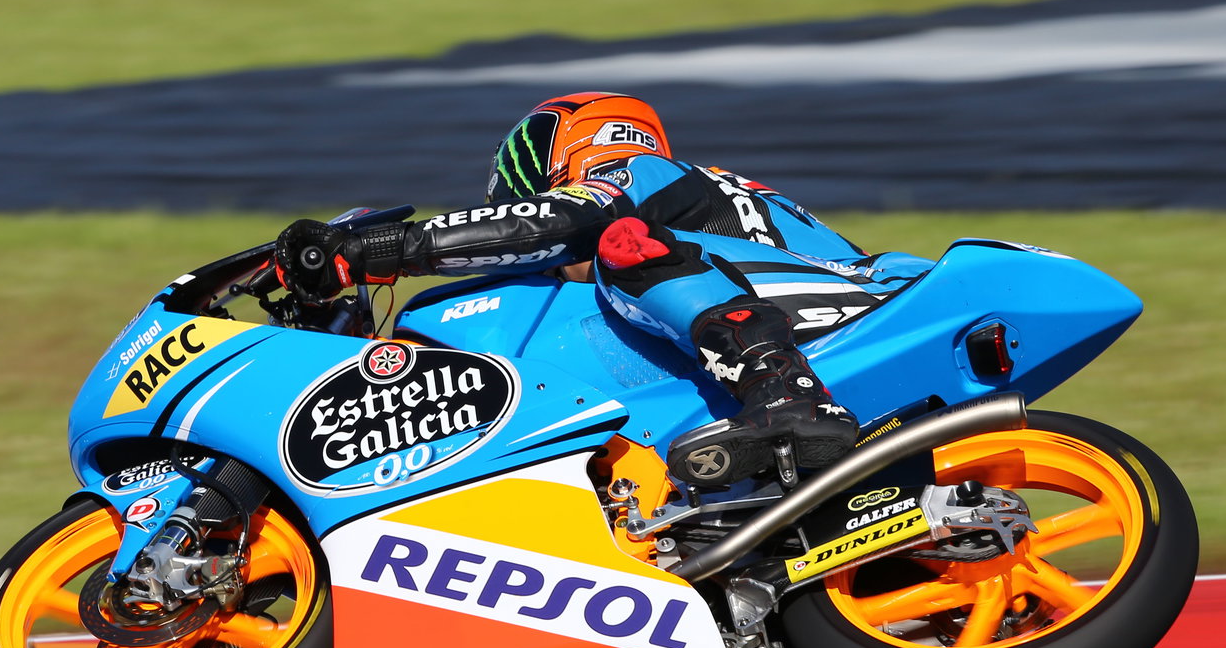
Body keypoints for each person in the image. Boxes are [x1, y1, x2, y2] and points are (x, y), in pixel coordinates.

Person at [273, 92, 931, 487]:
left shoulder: (635, 176)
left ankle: (782, 390)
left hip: (859, 311)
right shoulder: (696, 196)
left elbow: (565, 219)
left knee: (622, 246)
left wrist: (377, 250)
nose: (510, 194)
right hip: (837, 311)